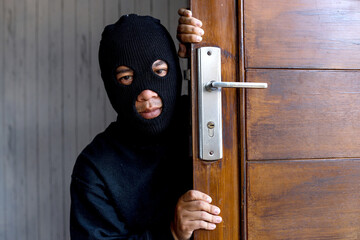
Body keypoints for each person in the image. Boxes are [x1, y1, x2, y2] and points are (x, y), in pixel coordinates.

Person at [70, 8, 221, 240]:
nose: (147, 93)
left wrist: (203, 47)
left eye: (159, 71)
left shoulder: (208, 117)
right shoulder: (95, 168)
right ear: (111, 86)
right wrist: (171, 232)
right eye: (126, 78)